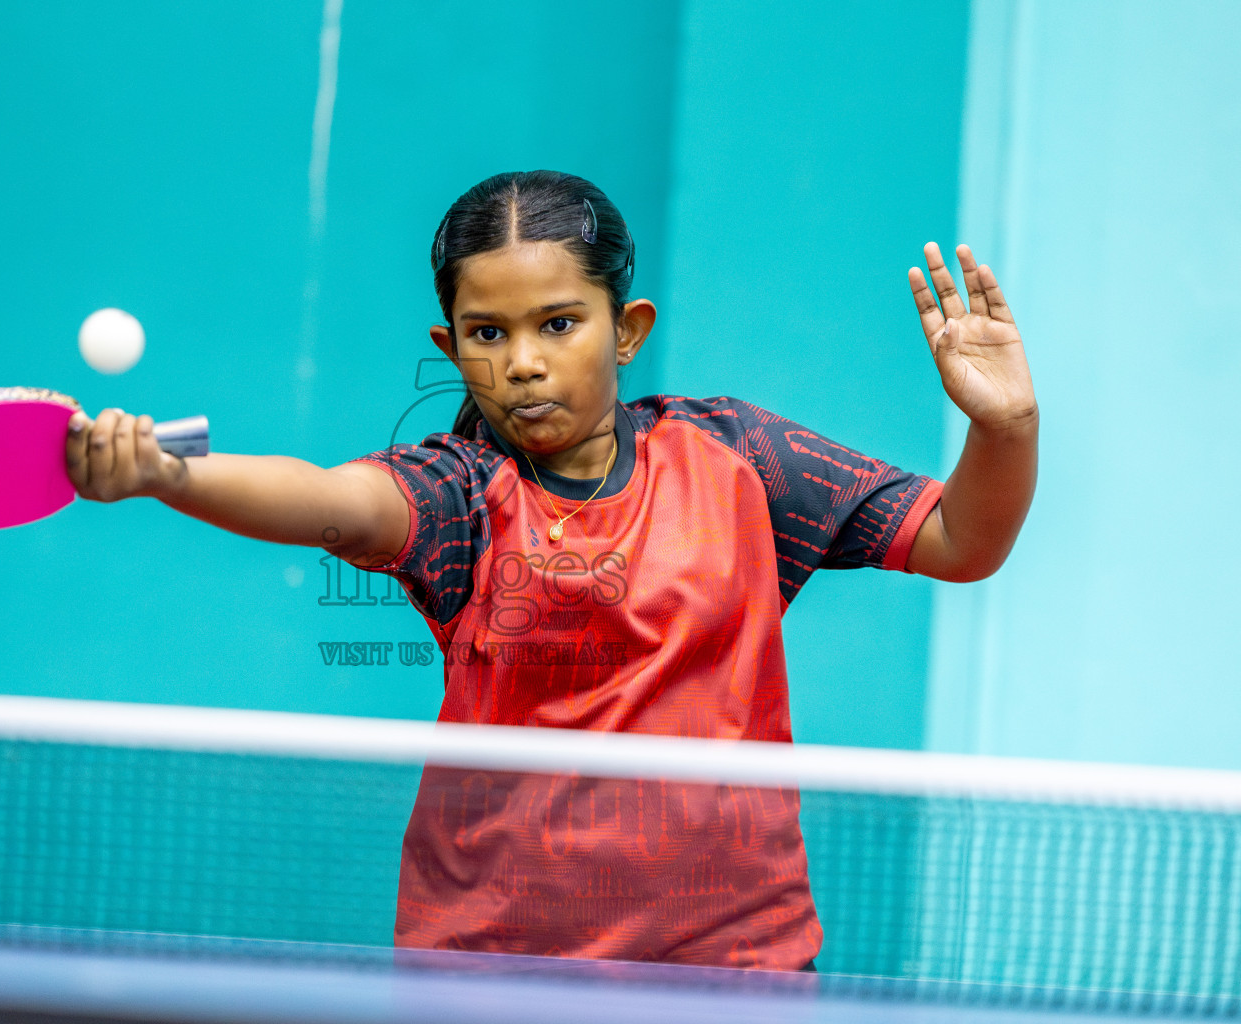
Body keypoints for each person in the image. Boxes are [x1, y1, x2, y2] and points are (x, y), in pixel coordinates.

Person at [64, 170, 1037, 970]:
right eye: (489, 334)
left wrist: (1004, 426)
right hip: (495, 967)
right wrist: (163, 472)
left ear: (628, 328)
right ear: (452, 349)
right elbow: (326, 498)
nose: (524, 361)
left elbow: (960, 540)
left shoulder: (741, 459)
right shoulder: (459, 495)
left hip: (733, 965)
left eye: (558, 324)